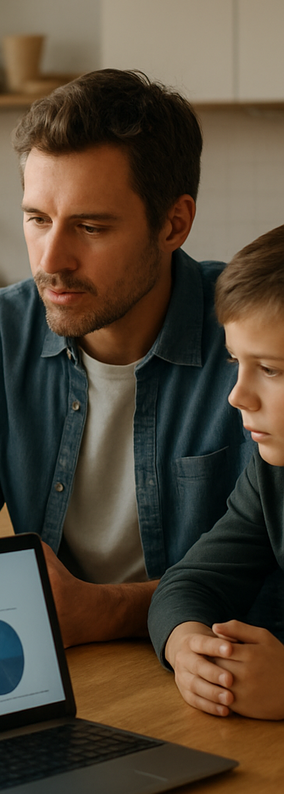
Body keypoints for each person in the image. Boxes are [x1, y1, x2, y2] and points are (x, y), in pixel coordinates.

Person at [0, 69, 268, 648]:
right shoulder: (2, 330)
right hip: (50, 658)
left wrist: (107, 611)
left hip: (203, 664)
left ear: (174, 223)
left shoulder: (254, 341)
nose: (52, 259)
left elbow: (267, 572)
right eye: (37, 219)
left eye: (91, 226)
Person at [149, 224, 284, 720]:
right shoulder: (273, 476)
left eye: (270, 370)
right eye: (236, 363)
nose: (237, 396)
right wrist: (187, 646)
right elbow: (189, 584)